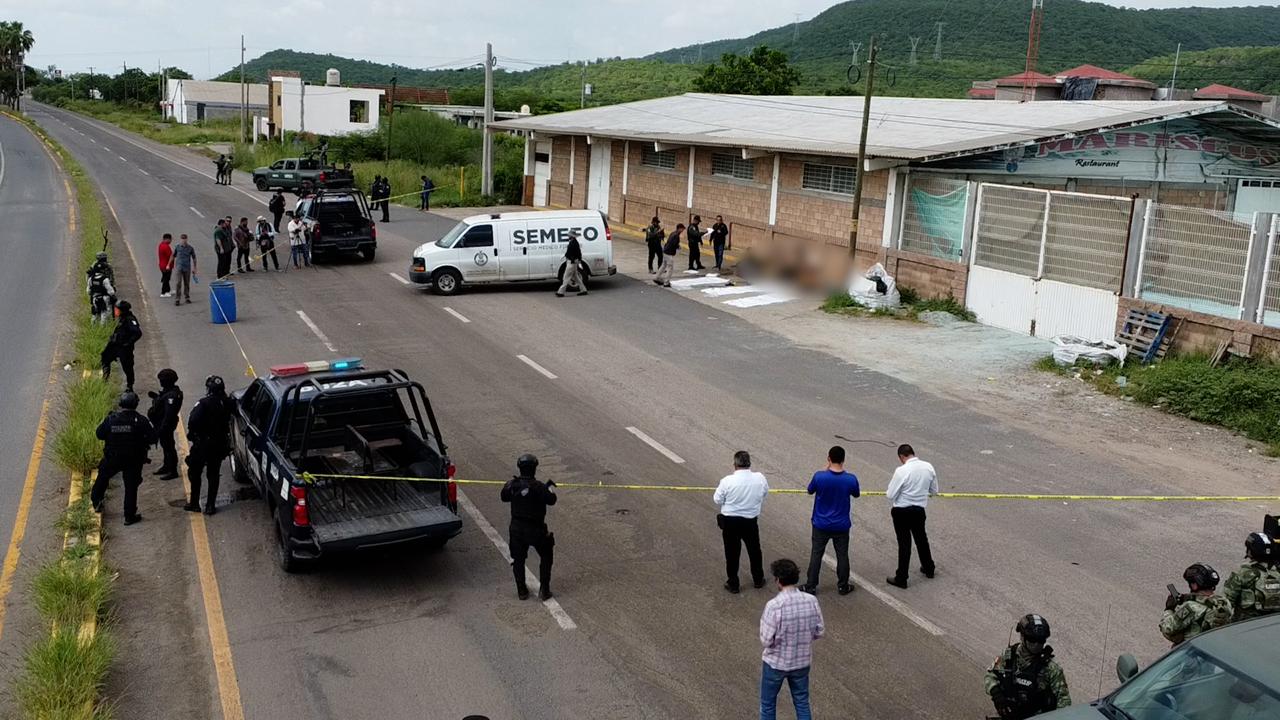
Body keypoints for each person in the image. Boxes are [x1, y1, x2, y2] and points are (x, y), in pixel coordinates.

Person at [759, 558, 823, 720]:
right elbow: (819, 631)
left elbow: (766, 640)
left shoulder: (774, 606)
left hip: (776, 663)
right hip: (801, 662)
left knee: (768, 705)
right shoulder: (811, 601)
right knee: (802, 702)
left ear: (778, 581)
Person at [984, 614, 1072, 719]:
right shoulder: (1009, 656)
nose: (1036, 644)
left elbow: (1064, 702)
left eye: (1041, 640)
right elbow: (990, 675)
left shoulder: (1051, 668)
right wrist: (997, 694)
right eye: (1032, 639)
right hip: (1009, 713)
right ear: (1022, 637)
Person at [801, 446, 860, 596]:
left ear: (829, 458)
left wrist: (825, 468)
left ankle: (811, 585)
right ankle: (843, 585)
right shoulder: (850, 479)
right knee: (842, 555)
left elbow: (810, 490)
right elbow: (856, 494)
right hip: (841, 524)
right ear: (843, 459)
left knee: (816, 554)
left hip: (821, 523)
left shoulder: (820, 476)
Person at [90, 391, 155, 525]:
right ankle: (129, 516)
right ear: (136, 404)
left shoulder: (111, 419)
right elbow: (153, 438)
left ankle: (97, 502)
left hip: (113, 458)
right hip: (134, 459)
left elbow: (99, 434)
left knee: (102, 477)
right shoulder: (141, 420)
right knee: (131, 487)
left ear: (121, 404)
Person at [500, 454, 558, 601]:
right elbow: (552, 500)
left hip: (517, 529)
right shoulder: (539, 487)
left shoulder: (513, 485)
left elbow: (503, 496)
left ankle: (521, 590)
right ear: (535, 468)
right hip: (536, 529)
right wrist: (548, 487)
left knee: (518, 560)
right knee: (546, 555)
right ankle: (544, 589)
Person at [714, 450, 769, 594]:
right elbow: (764, 493)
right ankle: (758, 579)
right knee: (754, 551)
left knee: (732, 553)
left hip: (730, 522)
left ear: (735, 464)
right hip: (750, 521)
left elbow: (717, 499)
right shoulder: (760, 478)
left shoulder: (727, 481)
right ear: (749, 463)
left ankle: (733, 583)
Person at [885, 443, 937, 589]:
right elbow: (934, 491)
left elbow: (890, 494)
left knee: (904, 544)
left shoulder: (902, 471)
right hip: (919, 510)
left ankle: (902, 577)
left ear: (902, 456)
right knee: (921, 539)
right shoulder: (928, 467)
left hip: (901, 511)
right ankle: (929, 568)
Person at [184, 375, 233, 516]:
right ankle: (210, 505)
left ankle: (194, 503)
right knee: (213, 474)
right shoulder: (228, 402)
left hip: (203, 444)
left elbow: (193, 420)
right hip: (219, 444)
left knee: (195, 472)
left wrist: (193, 434)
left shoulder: (204, 403)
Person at [1160, 563, 1233, 646]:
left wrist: (1169, 609)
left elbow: (1168, 628)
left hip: (1192, 652)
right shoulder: (1224, 602)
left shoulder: (1190, 607)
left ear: (1195, 585)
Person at [1223, 533, 1280, 623]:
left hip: (1244, 626)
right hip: (1273, 627)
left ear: (1251, 551)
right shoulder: (1277, 572)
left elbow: (1226, 605)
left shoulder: (1242, 574)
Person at [146, 369, 183, 481]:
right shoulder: (169, 392)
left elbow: (169, 414)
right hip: (161, 424)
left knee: (169, 447)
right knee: (165, 446)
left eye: (162, 380)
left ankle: (172, 470)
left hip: (165, 425)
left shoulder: (172, 396)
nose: (160, 382)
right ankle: (166, 466)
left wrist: (162, 428)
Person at [101, 300, 142, 392]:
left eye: (117, 309)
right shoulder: (121, 318)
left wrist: (128, 343)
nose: (115, 311)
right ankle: (105, 379)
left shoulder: (130, 319)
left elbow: (138, 333)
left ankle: (130, 385)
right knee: (105, 357)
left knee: (127, 366)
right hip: (115, 345)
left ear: (122, 310)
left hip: (124, 347)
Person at [556, 230, 587, 297]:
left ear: (571, 236)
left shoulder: (573, 243)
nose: (568, 236)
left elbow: (575, 253)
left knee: (566, 277)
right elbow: (578, 253)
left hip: (571, 262)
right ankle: (583, 290)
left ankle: (560, 292)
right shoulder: (574, 242)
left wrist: (570, 257)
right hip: (573, 262)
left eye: (569, 235)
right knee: (576, 277)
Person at [86, 260, 116, 325]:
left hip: (94, 298)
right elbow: (111, 292)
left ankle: (93, 327)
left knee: (95, 314)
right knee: (104, 314)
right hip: (104, 299)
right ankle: (102, 328)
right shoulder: (105, 279)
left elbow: (88, 291)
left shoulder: (91, 278)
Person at [172, 234, 197, 305]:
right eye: (182, 239)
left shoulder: (190, 248)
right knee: (178, 283)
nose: (184, 240)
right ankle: (177, 299)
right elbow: (173, 256)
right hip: (179, 268)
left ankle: (187, 297)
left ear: (187, 239)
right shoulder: (177, 247)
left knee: (186, 283)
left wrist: (195, 268)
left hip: (187, 268)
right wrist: (168, 264)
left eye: (185, 239)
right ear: (180, 239)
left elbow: (194, 258)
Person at [157, 233, 174, 297]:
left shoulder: (161, 245)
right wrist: (168, 265)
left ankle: (168, 290)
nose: (171, 241)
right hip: (166, 266)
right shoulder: (166, 246)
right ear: (167, 239)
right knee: (166, 279)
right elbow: (171, 256)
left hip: (162, 265)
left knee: (166, 278)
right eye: (170, 239)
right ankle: (163, 292)